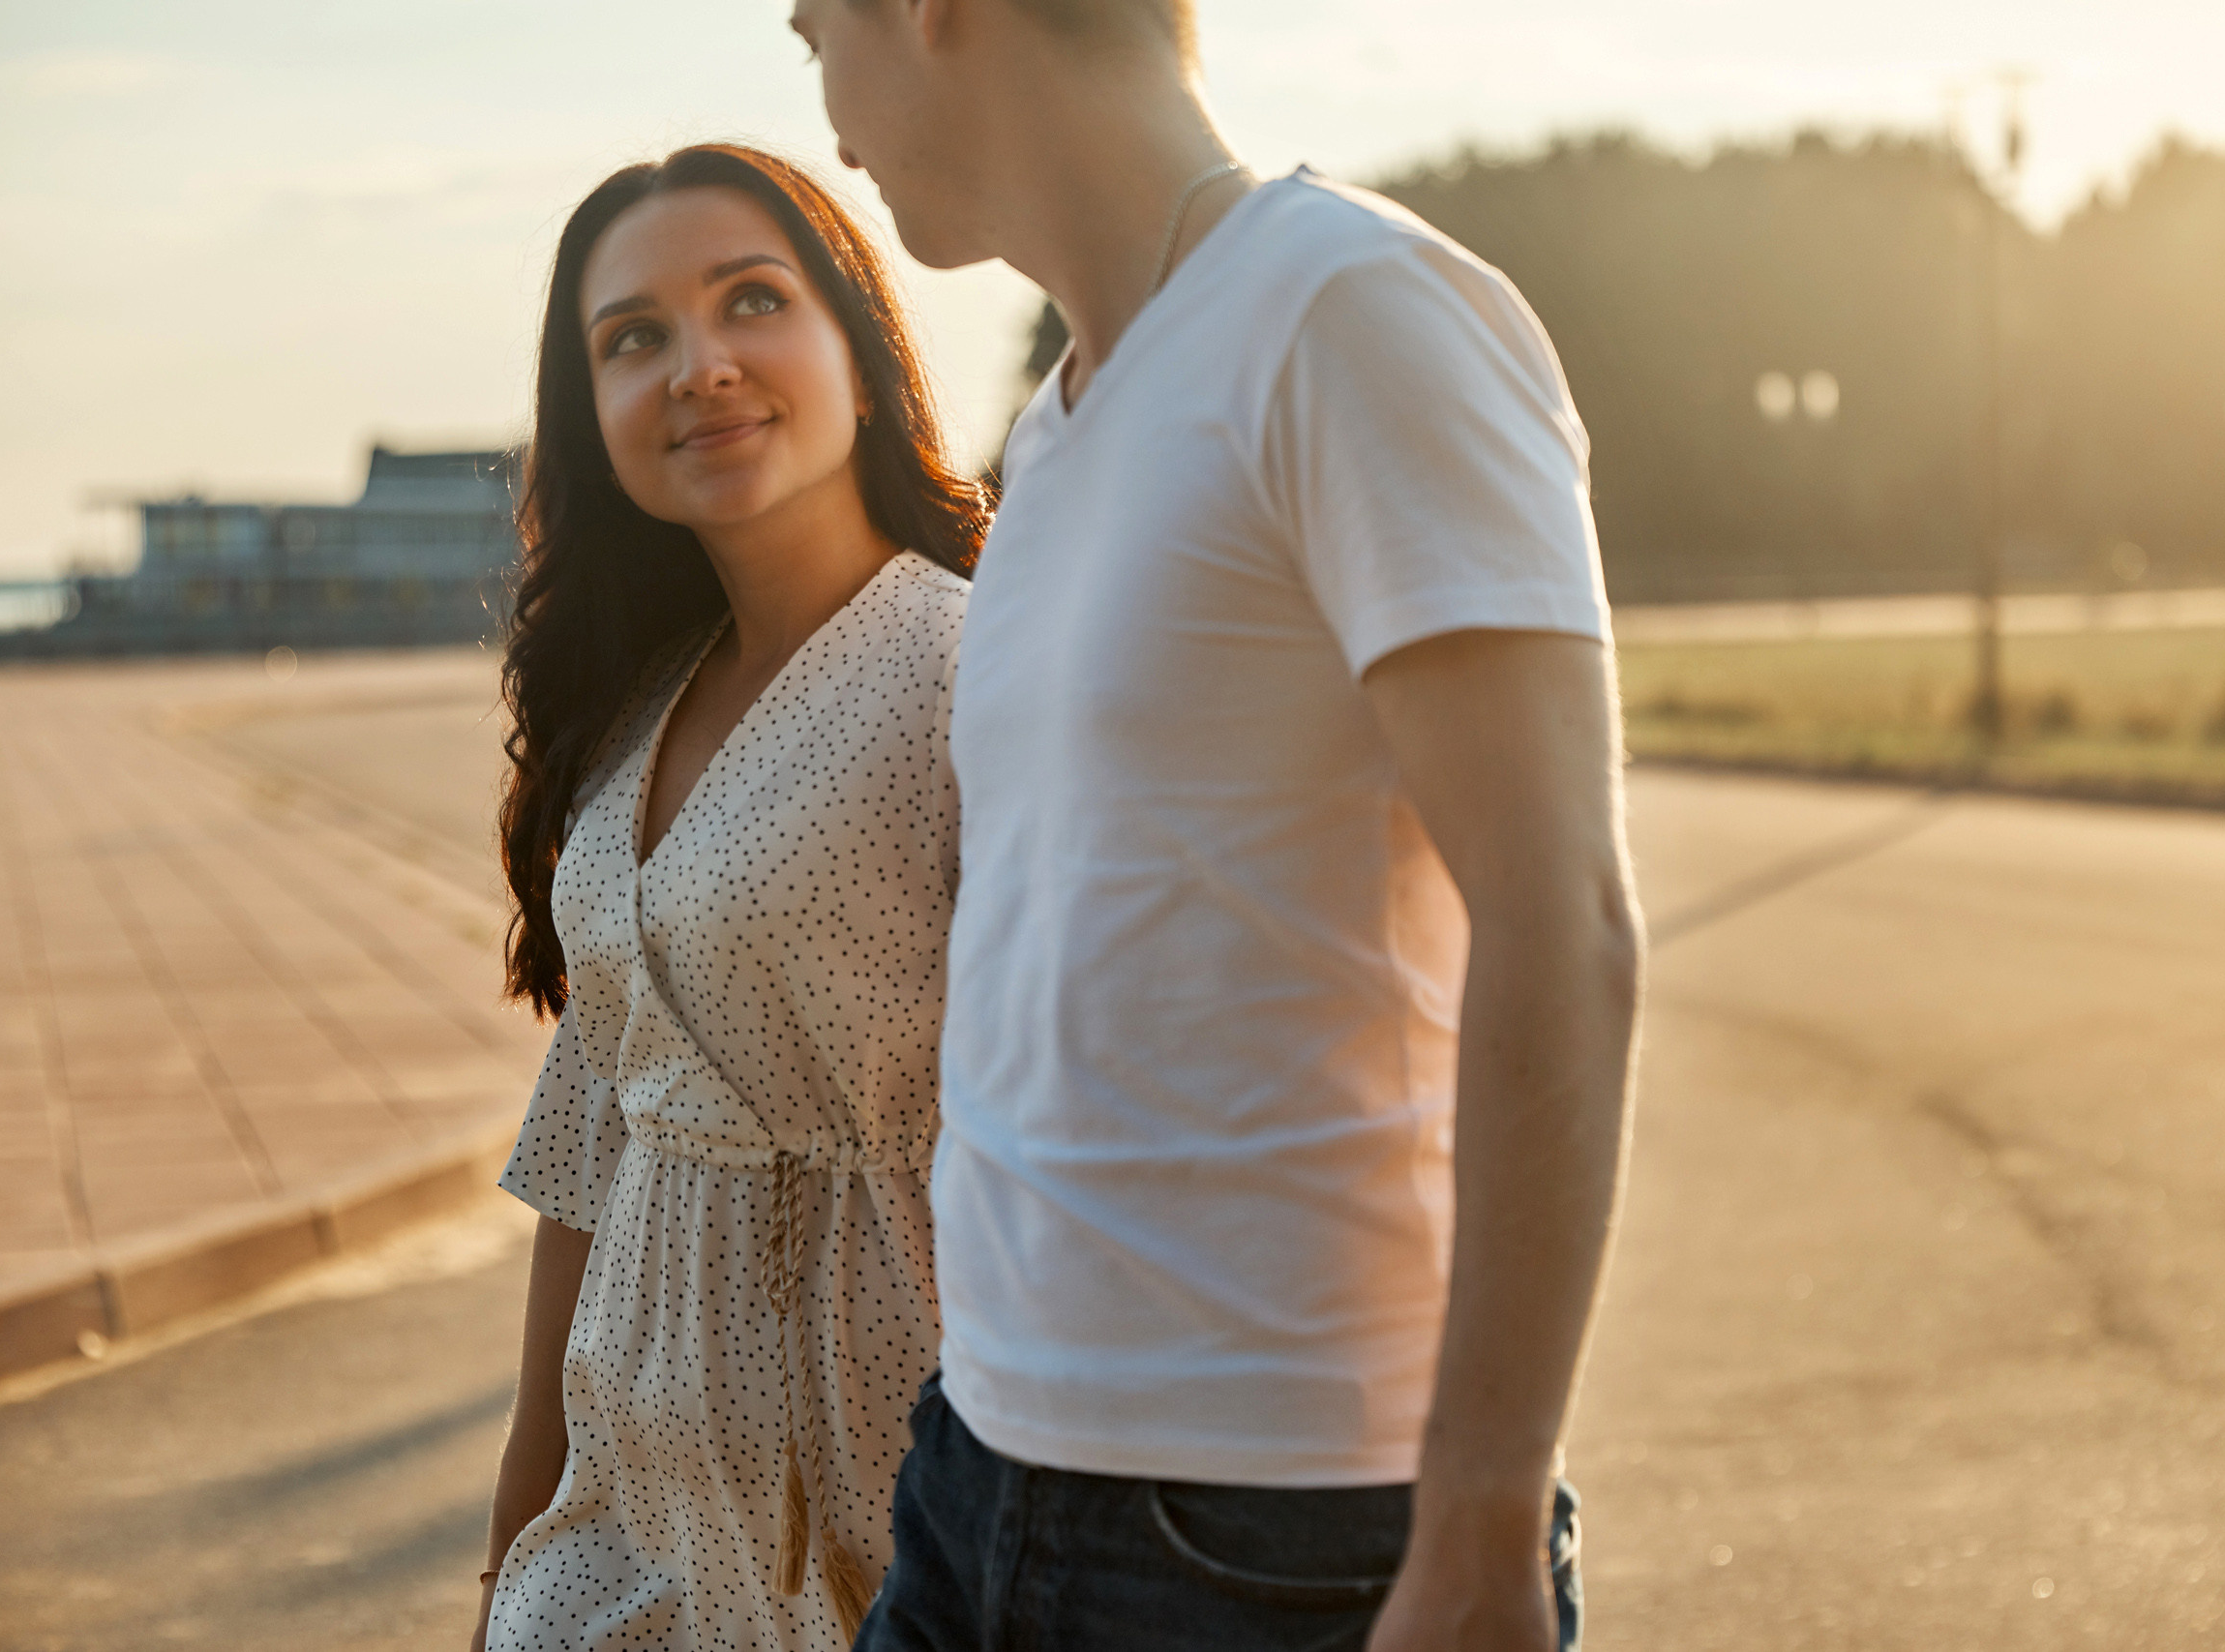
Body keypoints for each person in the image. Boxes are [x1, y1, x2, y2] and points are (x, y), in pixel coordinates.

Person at [788, 4, 1645, 1649]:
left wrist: (1476, 1531)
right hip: (981, 1468)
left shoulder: (1350, 311)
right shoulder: (1053, 429)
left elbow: (1564, 923)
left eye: (817, 34)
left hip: (1271, 1533)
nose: (830, 115)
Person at [471, 142, 986, 1652]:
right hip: (626, 1509)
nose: (698, 367)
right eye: (633, 338)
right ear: (595, 415)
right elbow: (591, 1145)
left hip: (879, 1481)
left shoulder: (975, 666)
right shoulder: (638, 706)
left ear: (858, 347)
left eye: (750, 301)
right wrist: (514, 1535)